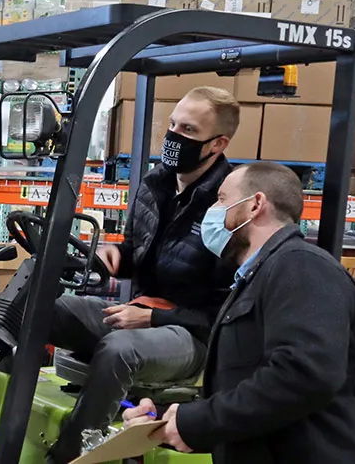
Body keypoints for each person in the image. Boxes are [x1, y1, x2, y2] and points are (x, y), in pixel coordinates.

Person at [123, 161, 355, 464]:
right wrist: (168, 419)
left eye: (221, 199)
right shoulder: (257, 278)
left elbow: (303, 376)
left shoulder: (301, 266)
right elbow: (251, 393)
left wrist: (198, 422)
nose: (212, 211)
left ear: (255, 205)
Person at [47, 87, 241, 463]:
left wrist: (154, 317)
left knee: (119, 350)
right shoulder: (156, 183)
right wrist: (114, 256)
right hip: (139, 313)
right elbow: (137, 252)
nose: (174, 136)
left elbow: (226, 314)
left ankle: (72, 456)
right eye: (173, 125)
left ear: (218, 144)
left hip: (193, 338)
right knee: (45, 306)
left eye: (188, 130)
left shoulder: (226, 207)